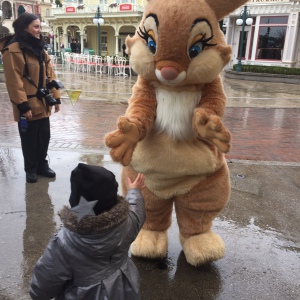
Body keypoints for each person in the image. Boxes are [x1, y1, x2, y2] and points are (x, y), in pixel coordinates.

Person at [29, 163, 146, 300]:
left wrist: (35, 293)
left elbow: (42, 288)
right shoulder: (128, 222)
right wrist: (134, 191)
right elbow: (137, 209)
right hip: (125, 291)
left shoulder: (64, 242)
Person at [0, 13, 61, 183]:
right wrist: (23, 105)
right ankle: (31, 169)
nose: (39, 30)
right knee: (29, 138)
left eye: (40, 26)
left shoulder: (40, 48)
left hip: (43, 102)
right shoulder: (13, 50)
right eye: (36, 26)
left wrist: (56, 97)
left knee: (43, 137)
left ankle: (42, 165)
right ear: (24, 27)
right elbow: (14, 81)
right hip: (27, 104)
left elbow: (51, 75)